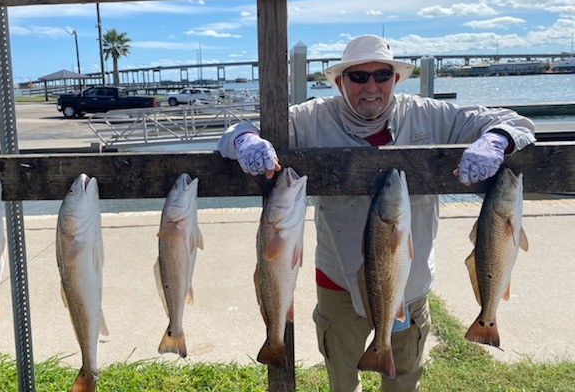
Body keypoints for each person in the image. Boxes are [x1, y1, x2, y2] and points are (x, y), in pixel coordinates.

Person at [217, 34, 535, 392]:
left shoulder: (431, 115)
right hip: (336, 279)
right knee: (341, 379)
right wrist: (244, 140)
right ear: (339, 81)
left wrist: (496, 139)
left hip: (407, 284)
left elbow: (515, 122)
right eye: (358, 77)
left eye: (382, 75)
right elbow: (237, 131)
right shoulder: (310, 119)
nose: (371, 87)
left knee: (402, 382)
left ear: (396, 79)